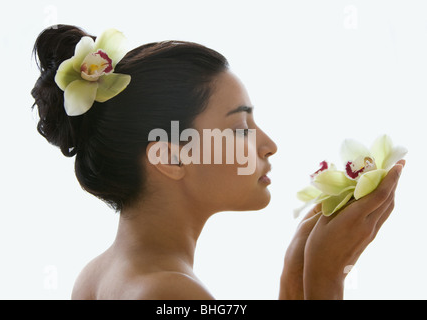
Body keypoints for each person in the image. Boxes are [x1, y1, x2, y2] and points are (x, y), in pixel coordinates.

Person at [31, 24, 405, 300]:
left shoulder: (99, 274)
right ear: (171, 155)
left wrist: (296, 274)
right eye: (241, 127)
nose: (269, 145)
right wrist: (327, 278)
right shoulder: (168, 292)